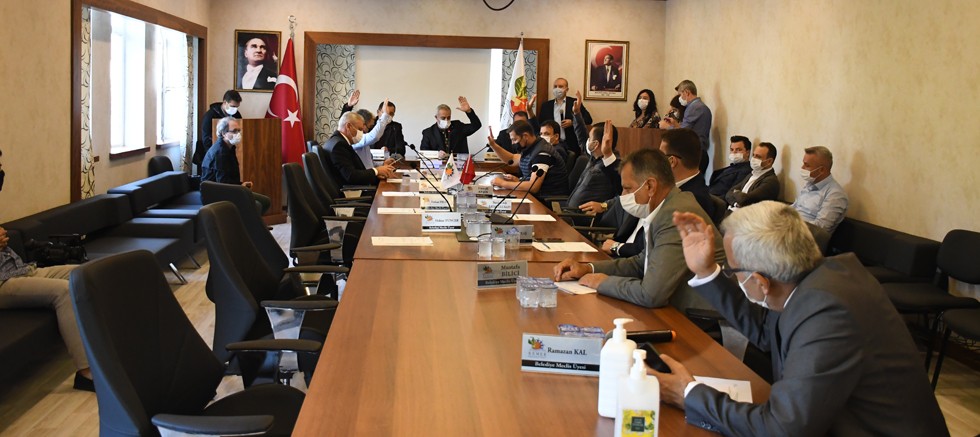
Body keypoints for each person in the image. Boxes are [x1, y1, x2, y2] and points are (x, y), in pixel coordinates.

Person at [662, 203, 949, 436]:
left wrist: (689, 394)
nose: (733, 277)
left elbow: (782, 428)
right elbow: (766, 331)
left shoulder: (828, 312)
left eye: (733, 272)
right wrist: (707, 270)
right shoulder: (819, 277)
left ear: (760, 282)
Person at [553, 148, 725, 311]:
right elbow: (641, 263)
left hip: (694, 318)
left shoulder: (674, 216)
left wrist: (602, 282)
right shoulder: (667, 206)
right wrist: (588, 268)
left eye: (627, 188)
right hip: (672, 306)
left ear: (650, 186)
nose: (623, 195)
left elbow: (650, 294)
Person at [0, 220, 91, 391]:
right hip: (3, 282)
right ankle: (86, 373)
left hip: (24, 270)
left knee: (86, 273)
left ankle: (110, 346)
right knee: (63, 291)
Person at [201, 117, 271, 214]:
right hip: (216, 194)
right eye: (234, 131)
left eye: (239, 130)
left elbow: (229, 178)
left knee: (265, 201)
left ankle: (247, 222)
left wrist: (241, 184)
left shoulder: (229, 147)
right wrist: (240, 187)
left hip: (228, 190)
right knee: (258, 204)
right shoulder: (220, 152)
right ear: (223, 133)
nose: (238, 134)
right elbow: (222, 183)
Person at [486, 120, 570, 199]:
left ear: (525, 136)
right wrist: (493, 145)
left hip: (548, 200)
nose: (513, 143)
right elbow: (512, 159)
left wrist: (503, 183)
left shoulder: (542, 153)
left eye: (515, 139)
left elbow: (533, 187)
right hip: (537, 196)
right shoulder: (532, 147)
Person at [566, 92, 622, 209]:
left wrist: (603, 206)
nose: (587, 141)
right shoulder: (595, 157)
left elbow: (622, 194)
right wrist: (577, 114)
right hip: (569, 211)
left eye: (590, 139)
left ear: (596, 144)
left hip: (583, 217)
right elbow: (582, 139)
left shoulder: (614, 167)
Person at [323, 112, 396, 186]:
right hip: (354, 190)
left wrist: (377, 174)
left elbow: (354, 171)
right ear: (348, 126)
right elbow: (351, 176)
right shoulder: (339, 145)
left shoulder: (336, 141)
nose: (361, 133)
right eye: (359, 129)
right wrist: (376, 171)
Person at [660, 128, 717, 221]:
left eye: (660, 156)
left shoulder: (693, 201)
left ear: (672, 161)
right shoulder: (683, 188)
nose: (658, 160)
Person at [791, 146, 848, 234]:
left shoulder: (835, 194)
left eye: (807, 165)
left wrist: (790, 226)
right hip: (790, 230)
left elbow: (819, 228)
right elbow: (795, 208)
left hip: (807, 238)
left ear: (821, 170)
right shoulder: (809, 184)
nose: (802, 167)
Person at [661, 80, 712, 173]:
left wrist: (667, 127)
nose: (680, 98)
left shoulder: (694, 107)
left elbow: (684, 133)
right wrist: (675, 125)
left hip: (696, 153)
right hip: (699, 152)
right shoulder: (698, 106)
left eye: (680, 95)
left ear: (687, 92)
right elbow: (689, 129)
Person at [537, 78, 592, 154]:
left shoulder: (574, 102)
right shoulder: (546, 106)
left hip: (571, 144)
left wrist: (572, 122)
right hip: (551, 144)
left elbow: (588, 119)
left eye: (560, 86)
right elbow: (540, 124)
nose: (557, 89)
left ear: (567, 89)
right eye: (555, 86)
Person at [193, 90, 242, 172]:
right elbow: (206, 140)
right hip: (215, 154)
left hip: (231, 152)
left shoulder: (236, 115)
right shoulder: (210, 116)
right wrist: (215, 155)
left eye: (237, 107)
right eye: (232, 106)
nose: (235, 109)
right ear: (225, 102)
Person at [725, 141, 780, 209]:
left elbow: (745, 200)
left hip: (747, 214)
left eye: (758, 157)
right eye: (753, 155)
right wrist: (736, 203)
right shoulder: (751, 174)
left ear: (769, 161)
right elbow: (729, 193)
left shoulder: (771, 181)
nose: (753, 159)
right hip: (733, 210)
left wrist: (736, 192)